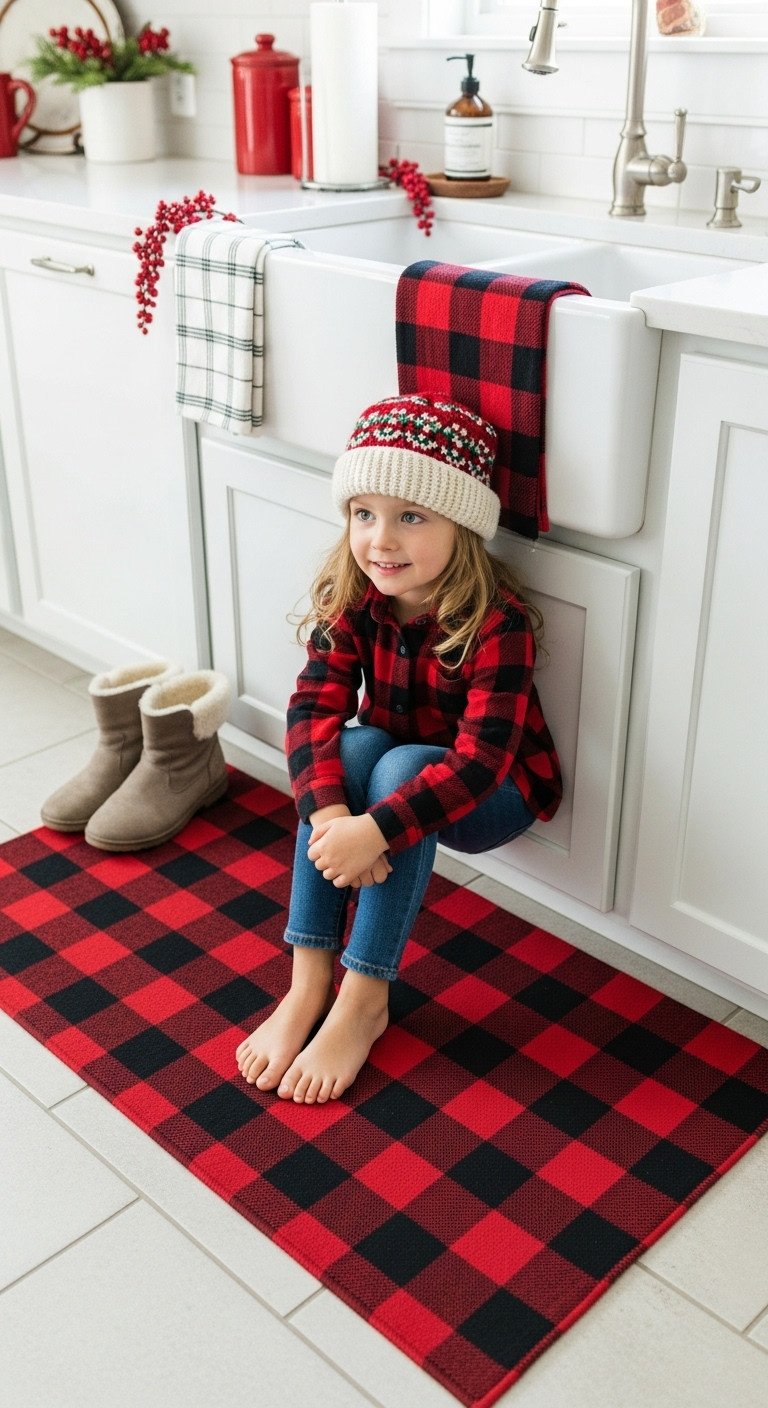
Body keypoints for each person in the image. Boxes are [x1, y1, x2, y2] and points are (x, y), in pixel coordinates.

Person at [236, 394, 562, 1105]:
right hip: (393, 777)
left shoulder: (498, 621)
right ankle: (309, 979)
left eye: (411, 516)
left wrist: (374, 831)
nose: (380, 539)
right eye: (364, 513)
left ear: (464, 525)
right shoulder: (353, 596)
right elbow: (311, 710)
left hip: (494, 794)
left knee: (402, 766)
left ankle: (365, 995)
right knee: (353, 753)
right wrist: (329, 820)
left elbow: (477, 762)